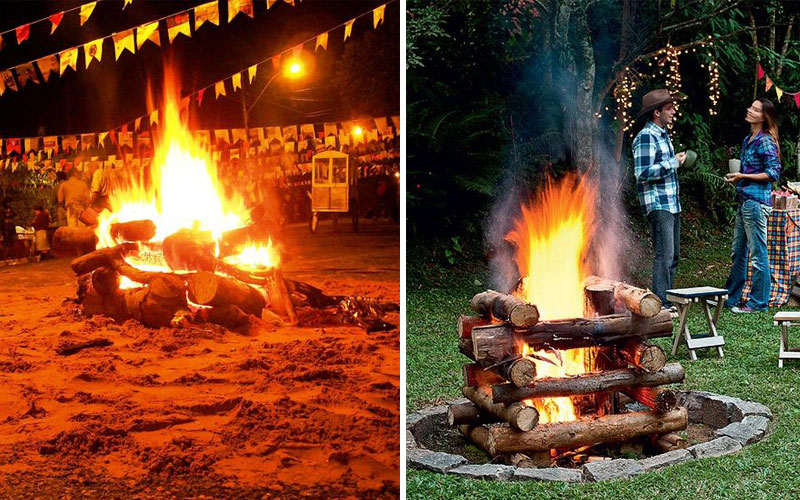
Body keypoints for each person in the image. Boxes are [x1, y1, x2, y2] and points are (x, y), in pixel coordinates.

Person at [723, 98, 782, 313]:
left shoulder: (765, 141)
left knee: (758, 255)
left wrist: (743, 175)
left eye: (756, 109)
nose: (750, 110)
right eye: (751, 107)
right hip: (745, 202)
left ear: (764, 117)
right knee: (738, 253)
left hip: (756, 203)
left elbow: (773, 173)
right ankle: (731, 297)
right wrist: (739, 178)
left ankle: (758, 303)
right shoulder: (749, 138)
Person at [632, 89, 688, 308]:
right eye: (669, 108)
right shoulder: (646, 136)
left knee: (673, 256)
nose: (674, 111)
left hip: (672, 204)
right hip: (658, 204)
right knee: (664, 256)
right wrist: (673, 163)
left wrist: (676, 162)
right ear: (656, 112)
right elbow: (642, 173)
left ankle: (669, 301)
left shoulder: (663, 135)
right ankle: (662, 303)